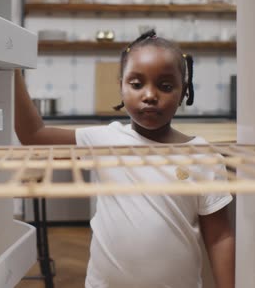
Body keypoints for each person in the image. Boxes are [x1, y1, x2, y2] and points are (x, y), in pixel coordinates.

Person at [14, 30, 235, 288]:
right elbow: (34, 135)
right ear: (120, 86)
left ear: (183, 91)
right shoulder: (105, 138)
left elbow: (220, 237)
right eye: (137, 84)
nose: (150, 95)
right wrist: (11, 69)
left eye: (165, 86)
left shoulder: (201, 155)